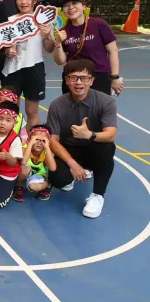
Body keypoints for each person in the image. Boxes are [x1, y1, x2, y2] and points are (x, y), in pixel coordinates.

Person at [46, 59, 118, 218]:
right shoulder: (56, 105)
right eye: (73, 78)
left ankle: (97, 195)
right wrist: (72, 164)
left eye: (84, 78)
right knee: (57, 179)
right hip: (69, 150)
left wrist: (90, 135)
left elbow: (111, 134)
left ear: (92, 81)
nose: (78, 82)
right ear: (67, 80)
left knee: (107, 147)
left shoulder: (106, 102)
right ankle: (74, 173)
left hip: (94, 147)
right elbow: (52, 140)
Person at [52, 0, 123, 96]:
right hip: (74, 78)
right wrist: (58, 42)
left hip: (98, 76)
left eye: (74, 3)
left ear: (84, 6)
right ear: (63, 10)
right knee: (73, 110)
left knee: (98, 110)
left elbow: (113, 51)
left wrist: (115, 77)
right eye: (66, 5)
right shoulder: (63, 31)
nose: (70, 7)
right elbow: (60, 61)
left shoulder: (99, 24)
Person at [1, 0, 52, 129]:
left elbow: (49, 48)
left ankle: (31, 144)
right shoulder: (9, 21)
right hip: (12, 69)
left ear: (34, 0)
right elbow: (2, 46)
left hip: (34, 68)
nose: (23, 2)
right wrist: (7, 51)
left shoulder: (43, 20)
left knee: (32, 111)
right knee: (10, 110)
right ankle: (10, 143)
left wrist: (47, 36)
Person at [14, 124, 56, 202]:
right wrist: (30, 144)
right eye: (36, 139)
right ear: (29, 140)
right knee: (24, 169)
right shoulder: (25, 148)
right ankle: (18, 187)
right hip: (23, 173)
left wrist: (47, 147)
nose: (39, 143)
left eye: (43, 141)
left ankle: (47, 184)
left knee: (33, 187)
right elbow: (23, 162)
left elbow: (53, 168)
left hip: (37, 176)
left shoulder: (46, 152)